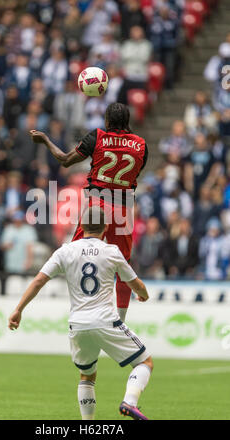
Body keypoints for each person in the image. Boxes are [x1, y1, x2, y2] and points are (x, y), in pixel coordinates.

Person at [8, 207, 153, 420]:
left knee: (87, 376)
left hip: (78, 324)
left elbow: (39, 280)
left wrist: (18, 309)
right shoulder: (111, 251)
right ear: (105, 228)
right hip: (105, 321)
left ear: (81, 227)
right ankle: (129, 402)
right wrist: (143, 294)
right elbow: (134, 283)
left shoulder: (65, 251)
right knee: (144, 362)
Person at [30, 102, 148, 322]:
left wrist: (45, 140)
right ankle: (120, 321)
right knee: (123, 266)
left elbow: (65, 160)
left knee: (74, 254)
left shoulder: (98, 137)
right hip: (123, 209)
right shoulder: (141, 144)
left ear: (106, 121)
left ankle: (80, 309)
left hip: (98, 207)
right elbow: (136, 173)